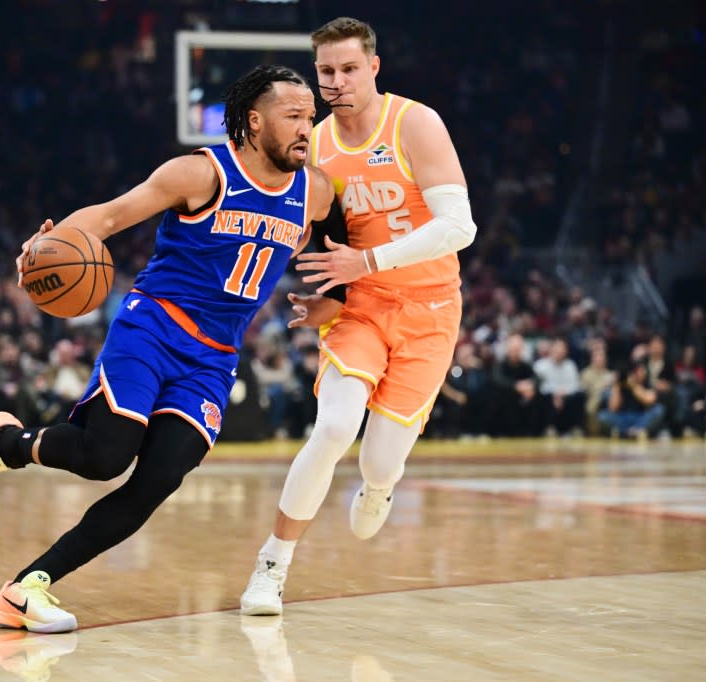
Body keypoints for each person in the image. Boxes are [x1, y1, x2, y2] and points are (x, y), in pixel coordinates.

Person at [0, 64, 336, 633]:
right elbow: (111, 215)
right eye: (293, 116)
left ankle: (25, 589)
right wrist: (48, 242)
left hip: (215, 357)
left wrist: (331, 299)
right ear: (253, 119)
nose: (305, 129)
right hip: (154, 327)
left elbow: (342, 248)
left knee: (156, 481)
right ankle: (3, 442)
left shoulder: (314, 192)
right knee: (105, 457)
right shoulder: (201, 172)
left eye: (310, 118)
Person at [240, 17, 477, 616]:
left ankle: (380, 486)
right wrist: (333, 296)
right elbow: (318, 238)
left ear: (373, 67)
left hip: (430, 308)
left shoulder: (415, 123)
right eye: (326, 71)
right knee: (334, 427)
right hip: (363, 307)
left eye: (349, 69)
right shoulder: (314, 145)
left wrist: (364, 260)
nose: (337, 82)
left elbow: (459, 227)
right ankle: (271, 566)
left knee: (378, 460)